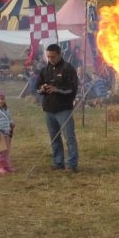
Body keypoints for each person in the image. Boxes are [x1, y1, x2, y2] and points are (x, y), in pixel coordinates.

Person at [36, 42, 79, 171]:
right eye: (48, 57)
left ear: (60, 55)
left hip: (64, 109)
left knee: (69, 137)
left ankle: (71, 164)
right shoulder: (45, 69)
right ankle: (58, 162)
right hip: (49, 109)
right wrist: (42, 88)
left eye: (53, 57)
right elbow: (37, 87)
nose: (50, 59)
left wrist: (57, 89)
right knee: (54, 138)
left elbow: (72, 89)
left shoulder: (68, 68)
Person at [0, 89, 16, 174]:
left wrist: (11, 123)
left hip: (7, 133)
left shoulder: (6, 109)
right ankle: (1, 167)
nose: (0, 101)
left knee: (6, 151)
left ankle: (7, 166)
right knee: (0, 152)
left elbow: (9, 118)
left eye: (2, 99)